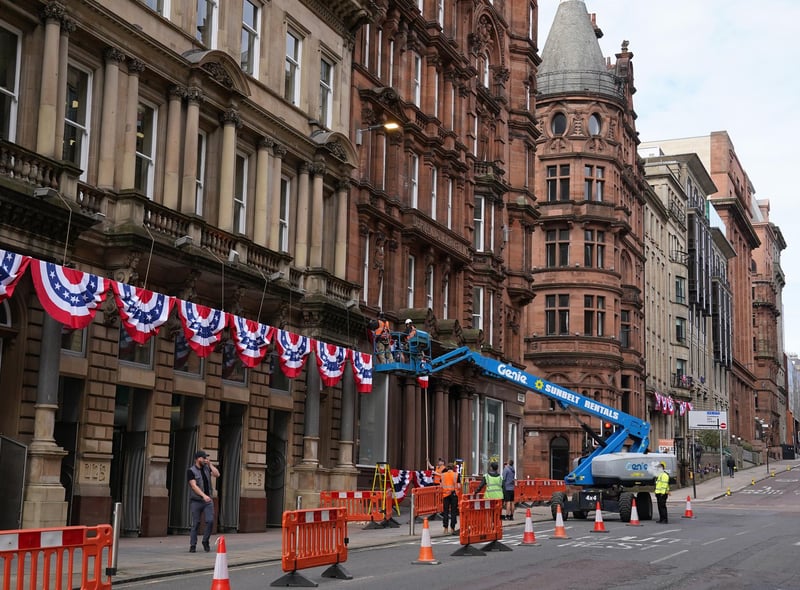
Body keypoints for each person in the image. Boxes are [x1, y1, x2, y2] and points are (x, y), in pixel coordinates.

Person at [188, 450, 220, 552]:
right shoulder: (191, 471)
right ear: (198, 459)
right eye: (203, 458)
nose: (205, 459)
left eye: (206, 458)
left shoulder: (206, 468)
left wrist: (210, 464)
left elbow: (217, 474)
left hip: (208, 501)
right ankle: (193, 545)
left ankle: (205, 541)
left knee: (210, 521)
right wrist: (203, 495)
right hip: (196, 501)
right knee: (196, 523)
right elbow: (193, 486)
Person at [440, 463, 459, 535]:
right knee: (453, 512)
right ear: (453, 468)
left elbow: (441, 485)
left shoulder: (443, 475)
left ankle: (445, 529)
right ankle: (452, 528)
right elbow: (459, 486)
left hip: (445, 495)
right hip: (454, 494)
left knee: (445, 512)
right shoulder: (456, 474)